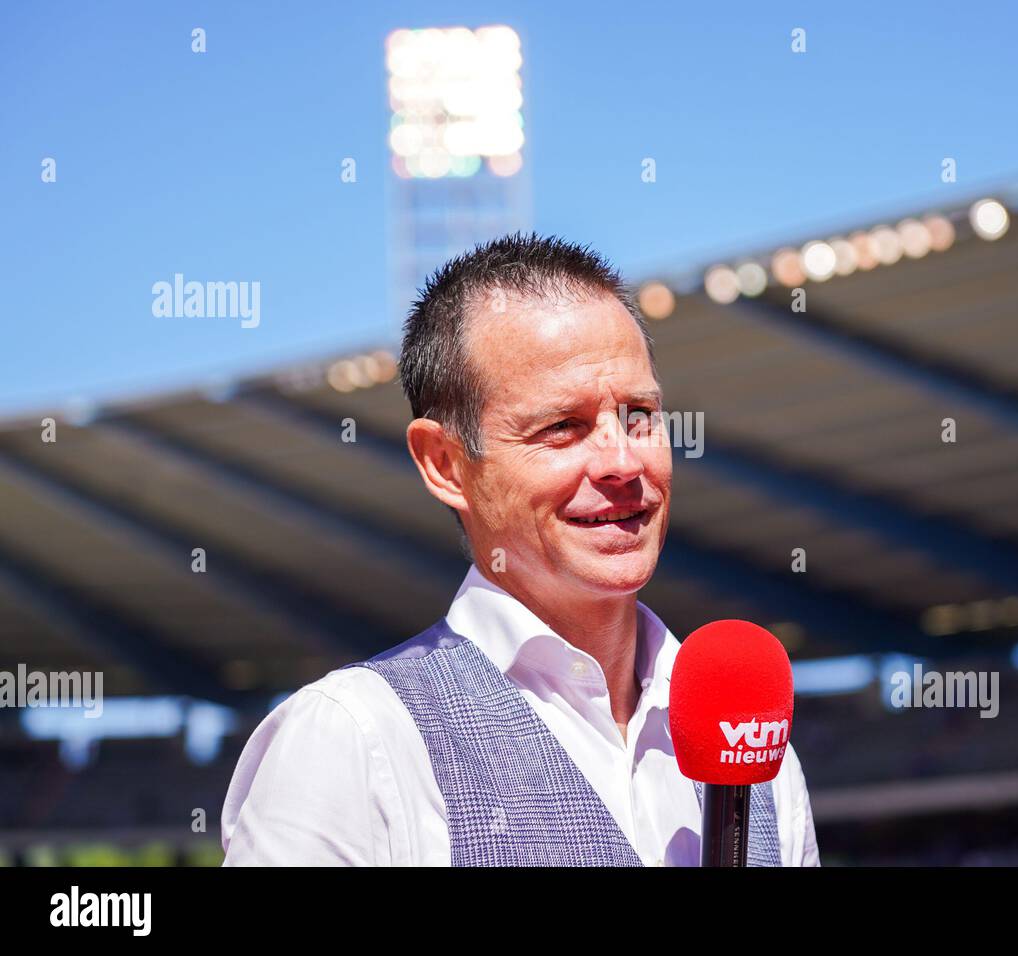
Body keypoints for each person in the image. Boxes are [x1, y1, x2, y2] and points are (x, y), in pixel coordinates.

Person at [221, 233, 819, 865]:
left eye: (640, 413)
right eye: (563, 426)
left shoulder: (756, 747)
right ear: (447, 464)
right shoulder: (353, 740)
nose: (623, 460)